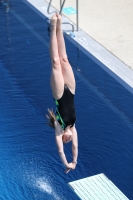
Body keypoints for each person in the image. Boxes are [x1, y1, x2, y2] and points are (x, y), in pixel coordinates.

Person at [46, 13, 78, 173]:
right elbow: (75, 146)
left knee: (56, 62)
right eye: (69, 140)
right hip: (71, 91)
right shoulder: (73, 127)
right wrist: (75, 161)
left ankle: (52, 28)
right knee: (64, 58)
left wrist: (66, 163)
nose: (70, 138)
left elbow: (60, 151)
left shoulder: (59, 127)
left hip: (58, 94)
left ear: (63, 138)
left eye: (67, 140)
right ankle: (60, 26)